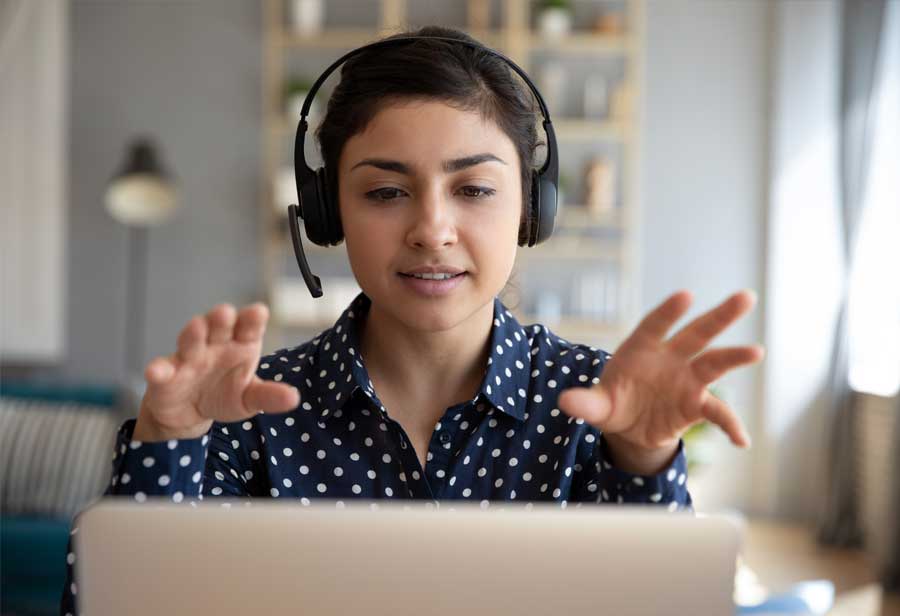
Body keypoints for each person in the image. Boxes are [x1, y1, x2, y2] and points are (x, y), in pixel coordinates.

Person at [59, 25, 763, 615]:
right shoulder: (245, 413)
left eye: (475, 188)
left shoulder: (597, 406)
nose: (432, 229)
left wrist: (640, 461)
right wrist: (167, 442)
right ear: (330, 213)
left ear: (531, 209)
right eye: (386, 190)